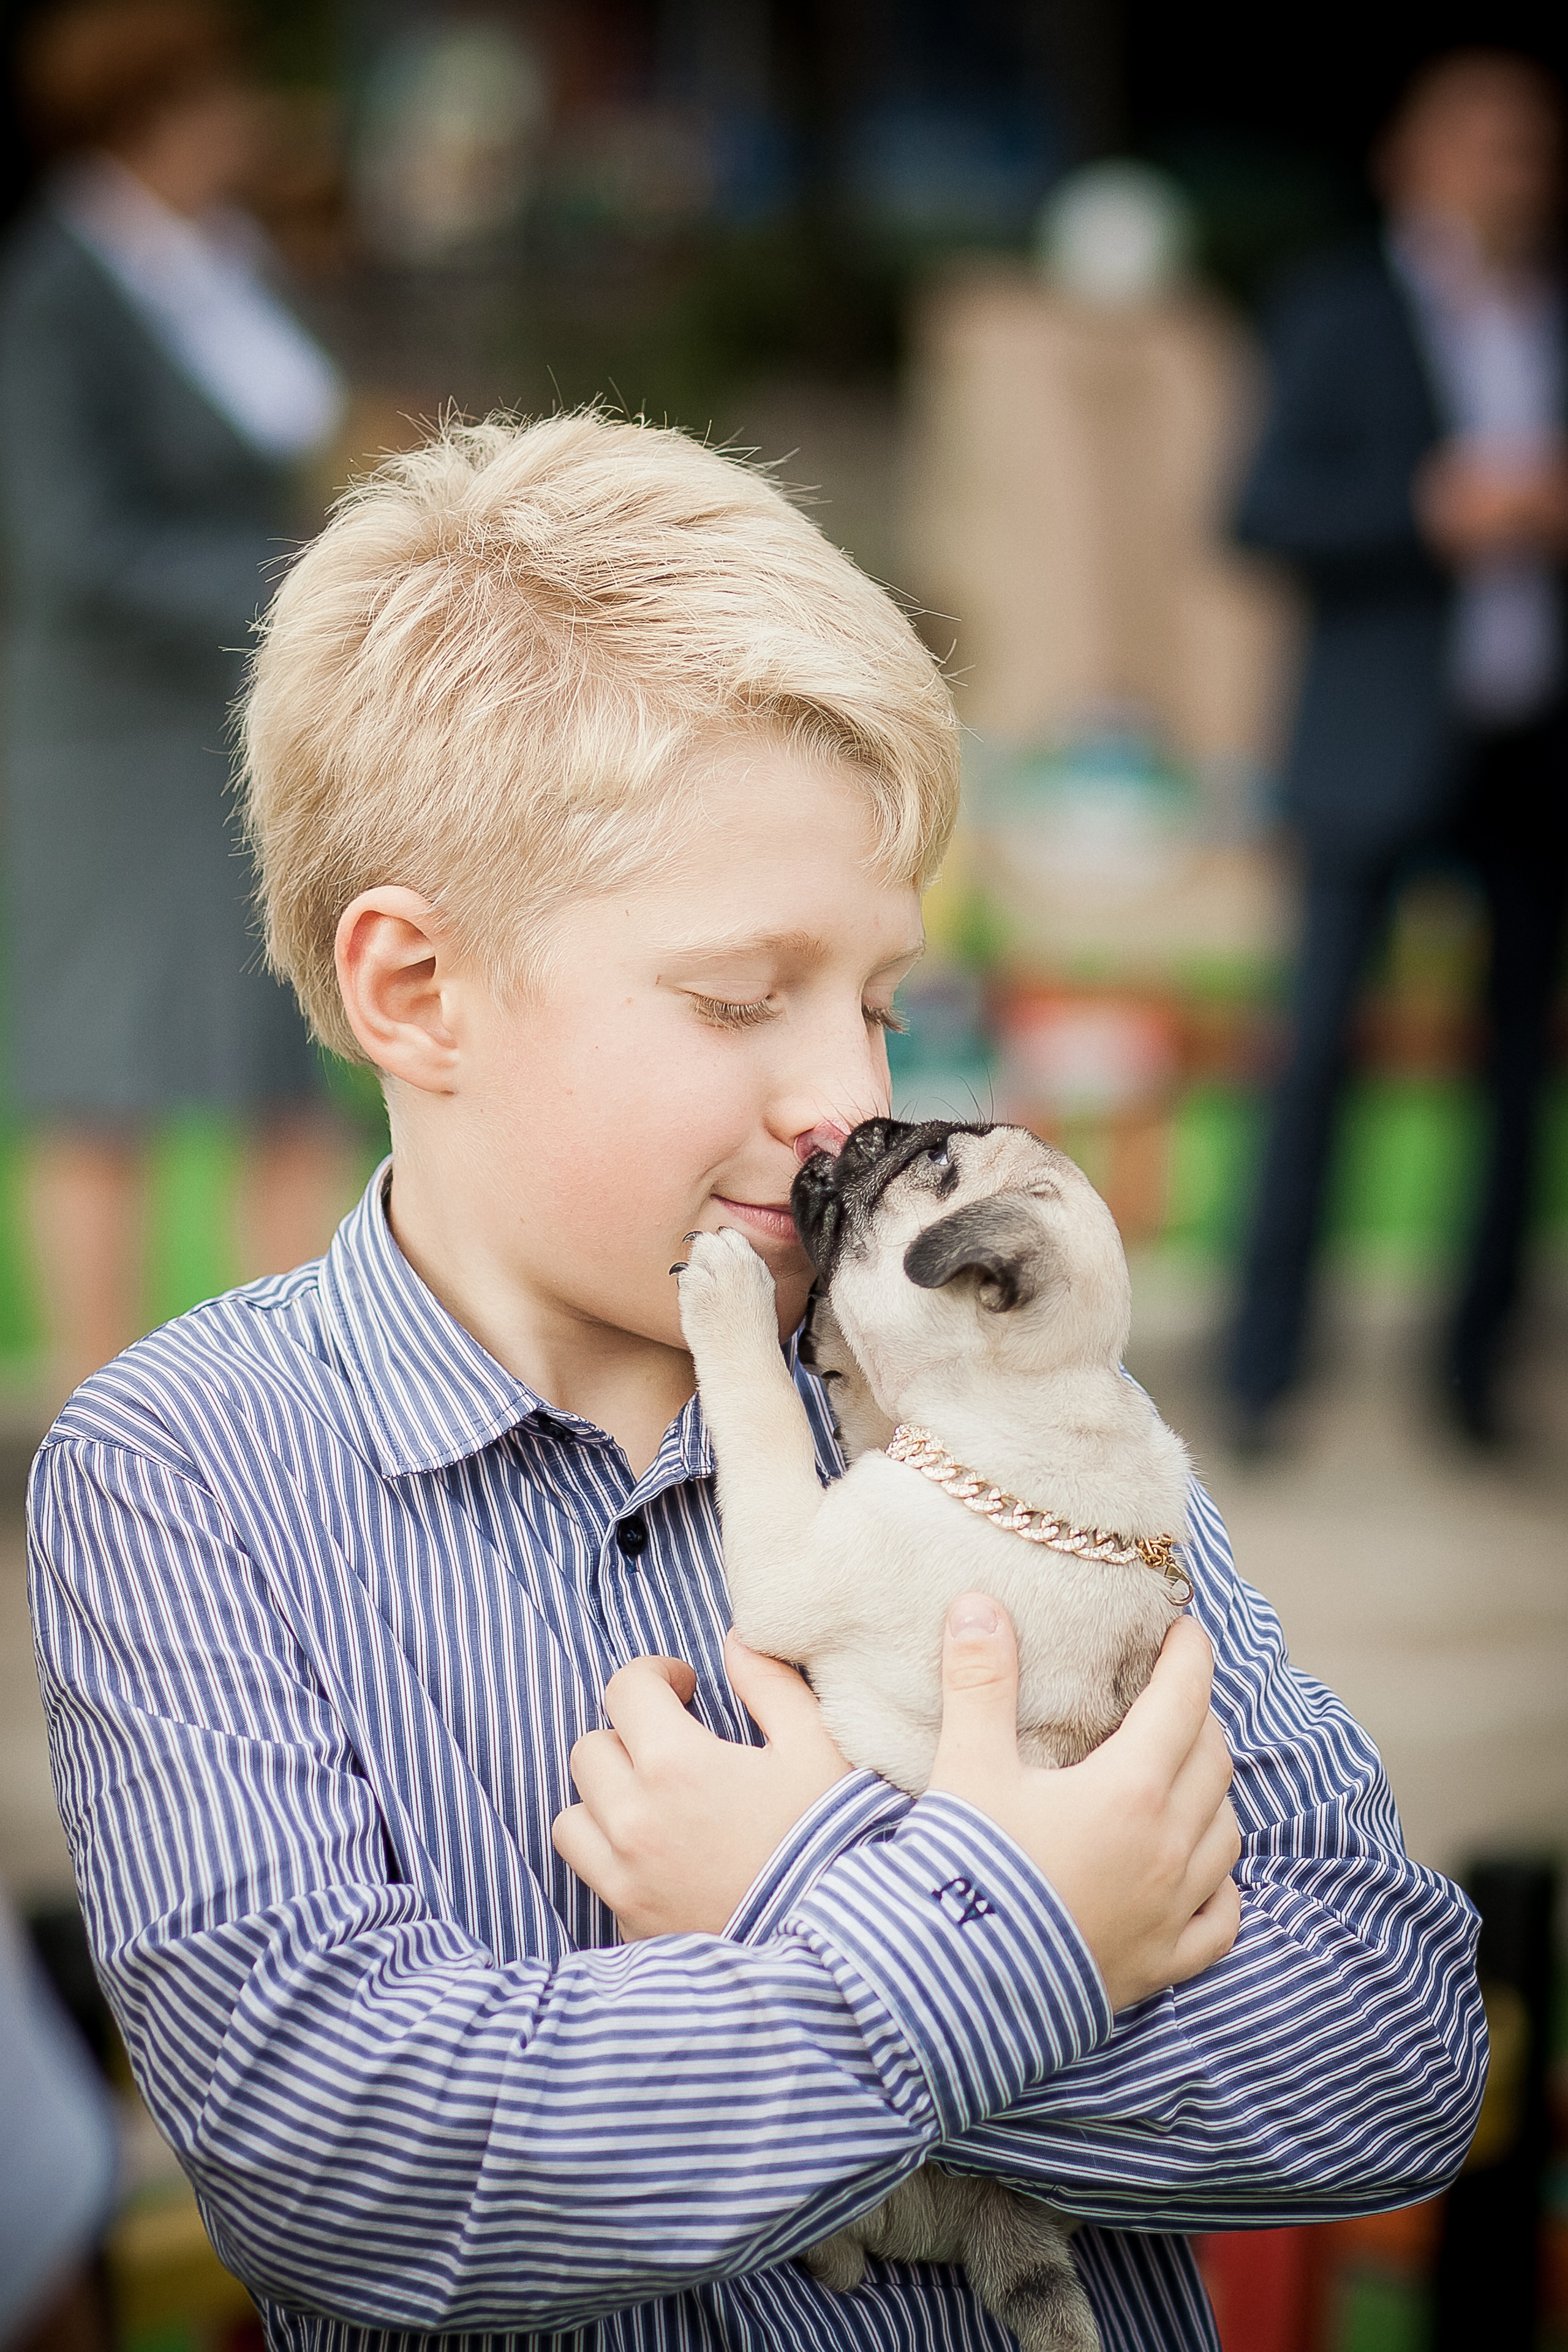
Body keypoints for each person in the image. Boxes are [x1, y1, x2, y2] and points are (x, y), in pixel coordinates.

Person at [28, 413, 1484, 2352]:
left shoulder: (1001, 1398)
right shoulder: (186, 1473)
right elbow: (356, 2151)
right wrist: (1027, 1936)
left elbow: (1389, 2045)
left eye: (881, 1002)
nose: (851, 1108)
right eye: (739, 1000)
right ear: (413, 989)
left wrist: (807, 1882)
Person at [0, 0, 355, 1407]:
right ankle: (102, 1428)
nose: (243, 125)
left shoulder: (218, 266)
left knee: (285, 1057)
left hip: (240, 721)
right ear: (147, 120)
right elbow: (75, 544)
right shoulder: (56, 292)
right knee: (110, 1083)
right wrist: (301, 580)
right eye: (218, 101)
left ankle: (311, 1414)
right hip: (106, 737)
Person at [1227, 49, 1568, 1446]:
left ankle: (1474, 1379)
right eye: (1482, 145)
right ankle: (1261, 1376)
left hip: (1530, 753)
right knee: (1312, 1057)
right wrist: (1428, 513)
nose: (1511, 172)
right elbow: (1257, 513)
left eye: (1529, 147)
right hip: (1371, 743)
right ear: (1410, 162)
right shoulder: (1339, 309)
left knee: (1513, 1076)